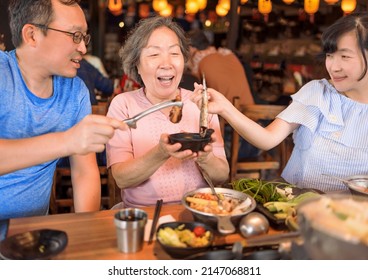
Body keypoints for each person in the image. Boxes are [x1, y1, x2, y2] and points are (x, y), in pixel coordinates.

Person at [191, 12, 368, 194]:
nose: (333, 66)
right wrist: (225, 107)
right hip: (296, 211)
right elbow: (267, 139)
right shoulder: (318, 93)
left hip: (354, 217)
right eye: (330, 55)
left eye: (345, 57)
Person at [0, 0, 127, 224]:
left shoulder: (74, 90)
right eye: (74, 36)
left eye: (84, 37)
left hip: (30, 237)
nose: (83, 48)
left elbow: (83, 173)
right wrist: (68, 140)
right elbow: (71, 143)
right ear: (32, 35)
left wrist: (85, 232)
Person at [106, 16, 229, 208]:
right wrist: (161, 152)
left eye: (174, 53)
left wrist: (206, 157)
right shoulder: (123, 105)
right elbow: (122, 179)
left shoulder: (200, 104)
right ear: (136, 64)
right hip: (144, 214)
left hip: (198, 209)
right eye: (154, 55)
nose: (166, 63)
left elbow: (222, 175)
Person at [187, 29, 259, 160]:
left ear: (191, 48)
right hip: (255, 128)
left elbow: (194, 94)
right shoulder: (227, 54)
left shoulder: (200, 61)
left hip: (232, 135)